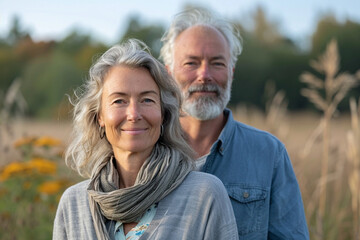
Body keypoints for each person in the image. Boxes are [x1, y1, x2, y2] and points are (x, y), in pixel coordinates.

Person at [53, 39, 239, 240]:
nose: (134, 114)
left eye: (147, 100)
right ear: (100, 117)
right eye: (119, 101)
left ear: (164, 114)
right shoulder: (73, 205)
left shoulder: (205, 195)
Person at [160, 9, 310, 239]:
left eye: (217, 63)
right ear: (169, 73)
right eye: (191, 63)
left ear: (231, 72)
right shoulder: (148, 148)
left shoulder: (269, 154)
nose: (204, 75)